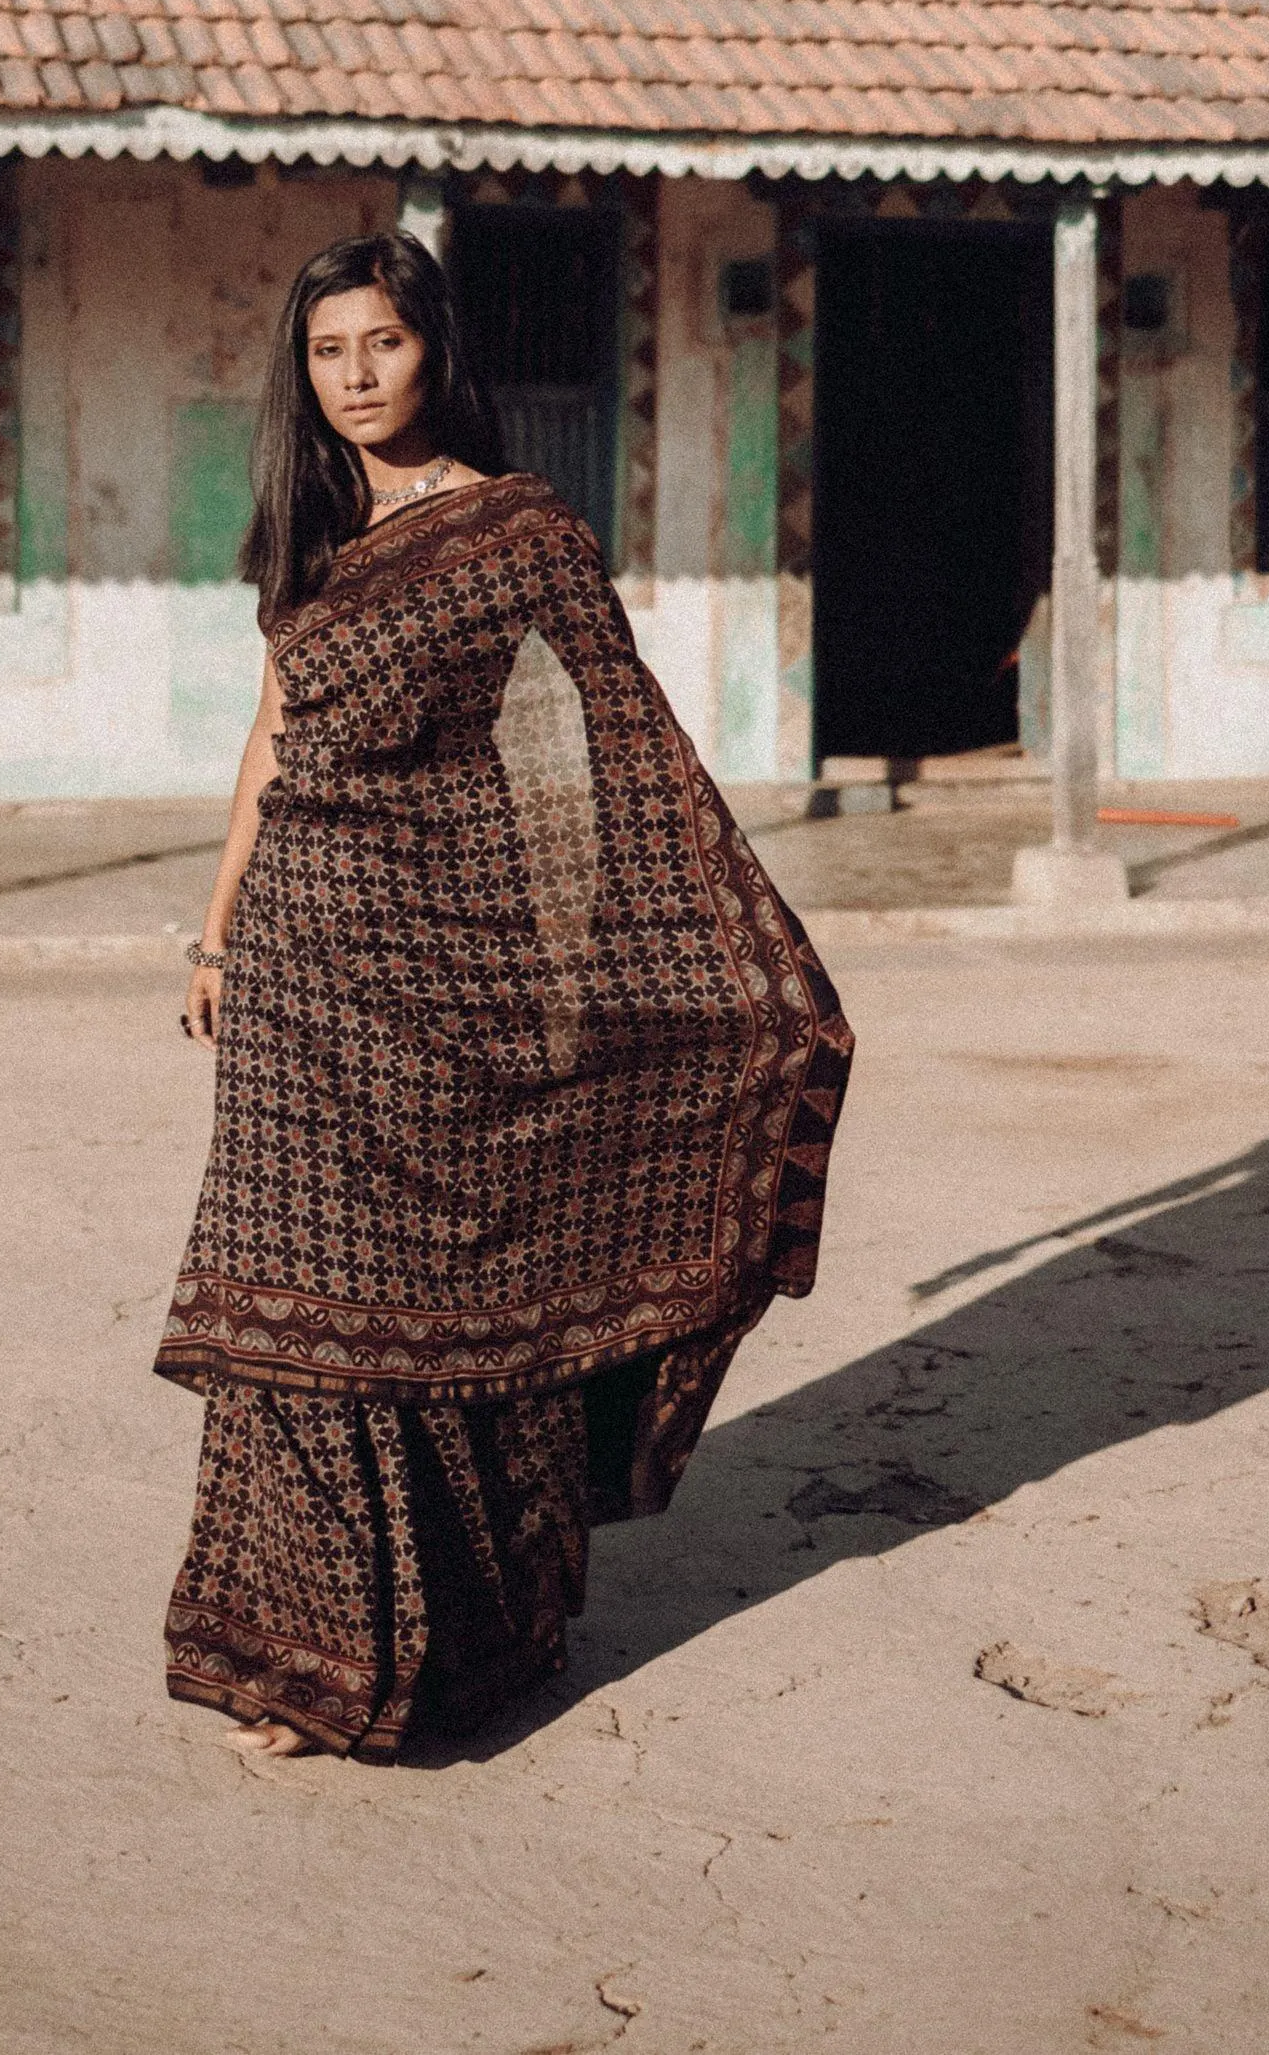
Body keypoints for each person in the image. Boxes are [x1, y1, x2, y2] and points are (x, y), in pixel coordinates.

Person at [158, 228, 853, 1761]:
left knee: (449, 1298)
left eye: (382, 346)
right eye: (329, 353)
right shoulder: (311, 528)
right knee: (298, 1320)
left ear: (435, 350)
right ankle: (307, 1650)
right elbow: (270, 744)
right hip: (293, 982)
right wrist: (216, 934)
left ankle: (480, 1624)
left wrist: (581, 970)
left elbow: (602, 765)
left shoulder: (519, 532)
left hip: (436, 979)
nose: (355, 378)